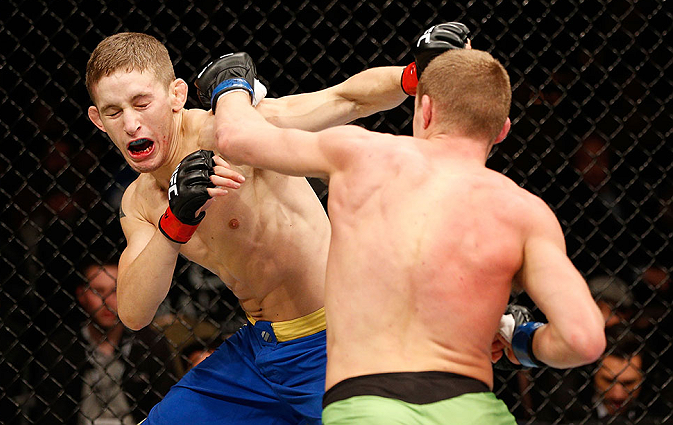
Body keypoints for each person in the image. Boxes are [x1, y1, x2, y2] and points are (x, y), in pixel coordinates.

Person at [205, 47, 607, 424]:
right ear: (501, 131)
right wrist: (523, 343)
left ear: (425, 109)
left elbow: (236, 139)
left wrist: (231, 83)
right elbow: (584, 338)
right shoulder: (525, 212)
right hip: (472, 409)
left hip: (369, 406)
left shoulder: (360, 156)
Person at [85, 26, 462, 424]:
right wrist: (175, 221)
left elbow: (344, 99)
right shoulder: (140, 200)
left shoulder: (233, 130)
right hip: (259, 354)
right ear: (97, 120)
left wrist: (417, 76)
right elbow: (134, 311)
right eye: (114, 112)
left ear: (177, 96)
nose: (130, 124)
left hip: (341, 340)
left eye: (142, 103)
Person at [30, 260, 177, 424]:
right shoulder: (61, 347)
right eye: (98, 291)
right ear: (82, 294)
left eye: (116, 290)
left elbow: (167, 407)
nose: (108, 301)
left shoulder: (151, 344)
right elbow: (49, 413)